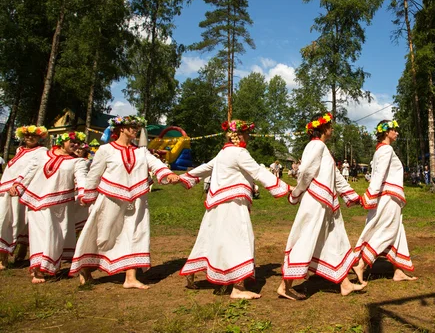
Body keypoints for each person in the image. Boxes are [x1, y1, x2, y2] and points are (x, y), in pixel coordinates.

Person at [178, 119, 290, 299]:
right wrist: (284, 188)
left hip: (216, 205)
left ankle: (193, 275)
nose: (249, 137)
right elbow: (258, 172)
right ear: (239, 135)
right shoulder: (239, 153)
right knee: (241, 239)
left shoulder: (223, 153)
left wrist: (184, 177)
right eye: (246, 133)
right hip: (233, 204)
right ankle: (238, 288)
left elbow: (206, 167)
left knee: (211, 238)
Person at [69, 115, 180, 289]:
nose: (136, 130)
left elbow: (156, 164)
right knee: (104, 236)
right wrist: (87, 195)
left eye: (137, 127)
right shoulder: (106, 150)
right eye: (132, 126)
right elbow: (94, 174)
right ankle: (86, 268)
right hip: (110, 199)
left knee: (136, 233)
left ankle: (130, 278)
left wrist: (167, 174)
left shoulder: (141, 151)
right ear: (121, 128)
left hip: (136, 200)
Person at [278, 112, 364, 300]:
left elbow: (336, 177)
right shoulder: (316, 145)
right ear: (323, 128)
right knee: (306, 239)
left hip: (325, 202)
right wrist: (296, 193)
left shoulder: (322, 148)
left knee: (335, 239)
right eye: (330, 125)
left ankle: (345, 284)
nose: (332, 128)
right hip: (316, 201)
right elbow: (305, 172)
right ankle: (284, 286)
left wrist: (352, 196)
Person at [9, 131, 88, 283]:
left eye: (78, 143)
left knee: (55, 234)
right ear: (62, 141)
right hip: (36, 200)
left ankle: (50, 264)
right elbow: (29, 171)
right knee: (38, 234)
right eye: (73, 141)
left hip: (60, 204)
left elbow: (81, 178)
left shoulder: (77, 162)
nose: (76, 145)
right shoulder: (43, 155)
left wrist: (84, 194)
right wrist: (18, 184)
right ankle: (37, 268)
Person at [353, 120, 417, 285]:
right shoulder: (386, 149)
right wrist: (370, 195)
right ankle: (361, 265)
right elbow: (379, 175)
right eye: (394, 130)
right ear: (386, 132)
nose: (396, 132)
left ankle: (398, 271)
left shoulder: (381, 150)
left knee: (397, 231)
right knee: (388, 230)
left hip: (389, 195)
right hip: (389, 197)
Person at [0, 125, 48, 270]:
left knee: (17, 222)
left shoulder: (42, 151)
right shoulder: (20, 150)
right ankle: (3, 256)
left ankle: (17, 250)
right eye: (27, 136)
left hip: (21, 189)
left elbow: (32, 169)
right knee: (3, 219)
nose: (29, 138)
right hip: (6, 188)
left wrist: (18, 184)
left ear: (40, 137)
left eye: (33, 136)